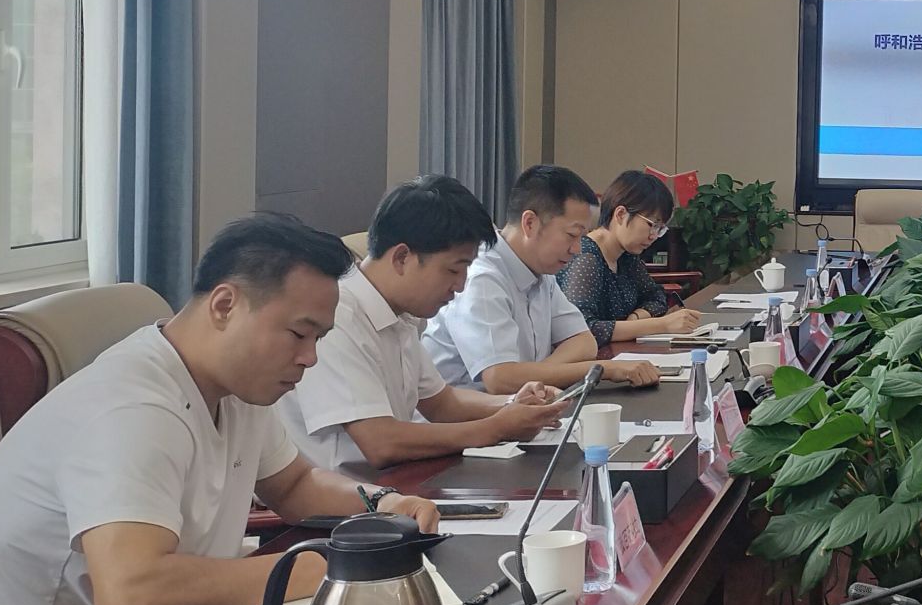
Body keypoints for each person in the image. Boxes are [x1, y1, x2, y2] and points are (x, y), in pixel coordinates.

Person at [0, 215, 442, 605]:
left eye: (319, 340)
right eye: (298, 334)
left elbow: (294, 485)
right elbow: (132, 595)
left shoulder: (236, 385)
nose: (310, 358)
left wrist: (381, 503)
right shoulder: (132, 408)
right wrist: (321, 567)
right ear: (225, 305)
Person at [280, 176, 575, 471]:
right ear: (402, 258)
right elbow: (381, 442)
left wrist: (515, 404)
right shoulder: (338, 315)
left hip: (396, 482)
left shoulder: (401, 315)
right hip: (346, 493)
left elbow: (443, 403)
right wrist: (497, 427)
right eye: (453, 270)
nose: (460, 286)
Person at [423, 165, 660, 393]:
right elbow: (499, 379)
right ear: (530, 223)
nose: (577, 249)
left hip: (521, 408)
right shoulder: (482, 277)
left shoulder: (541, 271)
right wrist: (604, 369)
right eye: (572, 235)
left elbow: (584, 341)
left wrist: (533, 377)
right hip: (468, 416)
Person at [560, 170, 701, 346]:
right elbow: (583, 330)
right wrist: (661, 325)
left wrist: (635, 319)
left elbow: (656, 297)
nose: (654, 236)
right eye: (652, 225)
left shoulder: (626, 256)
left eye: (660, 229)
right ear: (620, 214)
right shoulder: (586, 258)